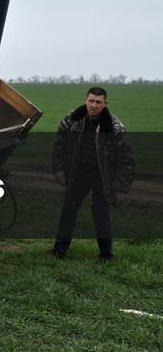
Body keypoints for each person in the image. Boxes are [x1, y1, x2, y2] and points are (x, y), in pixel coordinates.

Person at [51, 87, 135, 263]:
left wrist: (121, 187)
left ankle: (106, 254)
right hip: (78, 174)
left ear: (105, 104)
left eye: (98, 102)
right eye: (91, 101)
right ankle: (59, 250)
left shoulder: (114, 126)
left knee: (100, 215)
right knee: (68, 212)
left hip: (102, 178)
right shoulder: (72, 120)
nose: (94, 105)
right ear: (85, 100)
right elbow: (59, 145)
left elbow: (126, 159)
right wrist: (59, 169)